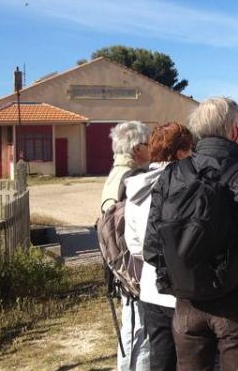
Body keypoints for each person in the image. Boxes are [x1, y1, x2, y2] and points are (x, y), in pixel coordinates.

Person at [148, 97, 238, 371]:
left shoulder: (173, 173)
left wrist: (175, 281)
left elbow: (152, 246)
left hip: (187, 302)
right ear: (233, 129)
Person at [125, 122, 193, 371]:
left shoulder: (136, 187)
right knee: (191, 358)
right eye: (189, 150)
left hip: (150, 286)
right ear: (180, 153)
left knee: (160, 356)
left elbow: (133, 244)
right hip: (183, 287)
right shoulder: (186, 185)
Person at [100, 121, 152, 371]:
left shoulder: (114, 175)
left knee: (132, 328)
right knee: (141, 332)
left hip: (119, 266)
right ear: (136, 148)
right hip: (134, 268)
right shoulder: (135, 179)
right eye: (147, 144)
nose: (151, 148)